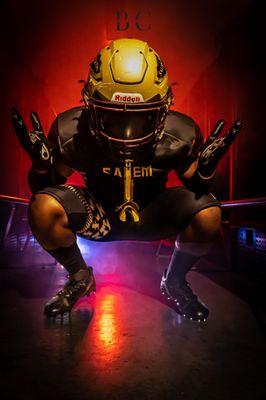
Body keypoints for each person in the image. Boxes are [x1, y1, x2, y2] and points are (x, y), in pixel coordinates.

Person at [11, 38, 241, 322]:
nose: (127, 131)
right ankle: (80, 277)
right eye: (112, 117)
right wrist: (41, 167)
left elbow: (203, 193)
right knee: (43, 206)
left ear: (164, 108)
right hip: (100, 215)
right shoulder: (72, 131)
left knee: (208, 213)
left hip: (153, 213)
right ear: (89, 104)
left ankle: (175, 281)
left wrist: (206, 174)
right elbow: (43, 190)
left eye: (142, 117)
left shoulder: (180, 133)